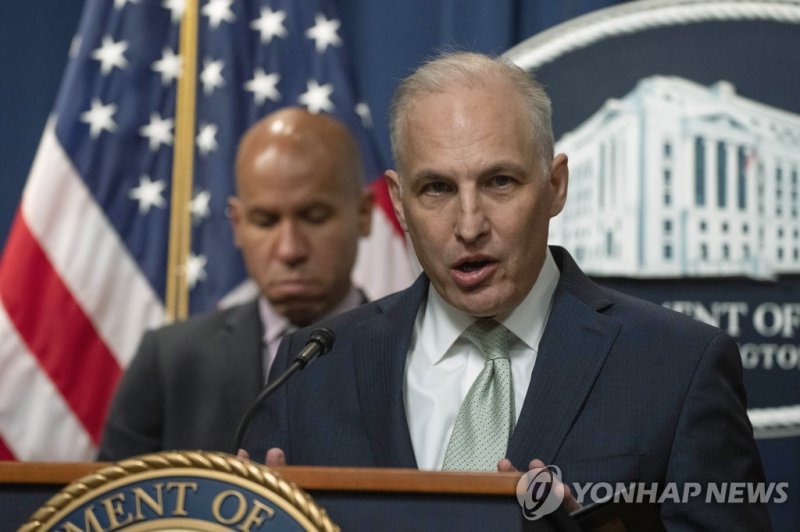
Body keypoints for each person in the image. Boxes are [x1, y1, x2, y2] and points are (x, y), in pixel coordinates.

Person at [242, 53, 770, 528]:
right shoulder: (309, 369)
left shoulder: (677, 366)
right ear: (400, 204)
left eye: (499, 182)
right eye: (438, 188)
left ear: (555, 186)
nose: (469, 225)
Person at [98, 107, 373, 460]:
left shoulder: (409, 353)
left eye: (314, 217)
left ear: (363, 215)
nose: (290, 249)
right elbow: (111, 508)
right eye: (264, 221)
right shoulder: (169, 364)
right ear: (237, 224)